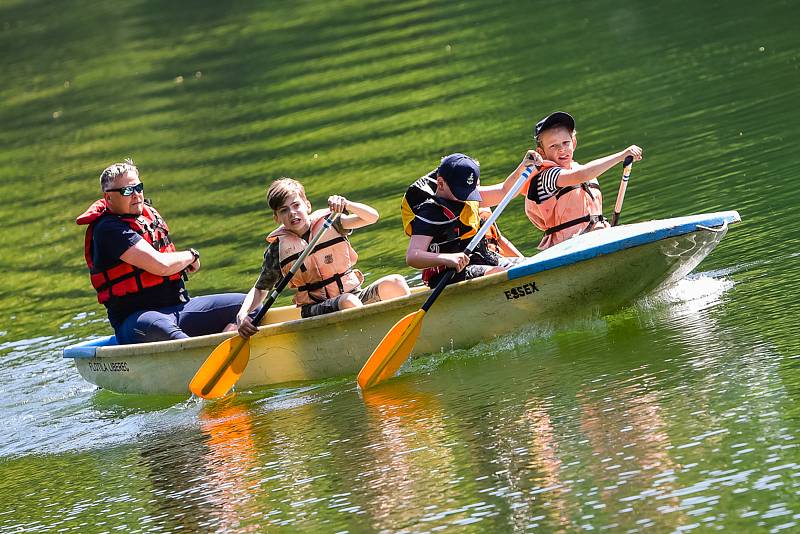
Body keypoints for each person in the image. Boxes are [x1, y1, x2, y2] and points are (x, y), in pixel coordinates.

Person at [76, 159, 245, 344]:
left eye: (138, 187)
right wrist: (191, 255)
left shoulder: (146, 216)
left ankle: (226, 345)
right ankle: (201, 357)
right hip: (137, 321)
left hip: (179, 308)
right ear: (108, 198)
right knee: (160, 326)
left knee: (249, 305)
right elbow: (161, 266)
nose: (136, 195)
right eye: (127, 191)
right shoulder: (108, 230)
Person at [236, 178, 410, 339]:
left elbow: (372, 217)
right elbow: (260, 289)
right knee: (348, 302)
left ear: (307, 206)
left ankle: (408, 334)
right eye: (284, 210)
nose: (292, 213)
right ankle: (371, 342)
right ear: (277, 218)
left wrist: (347, 204)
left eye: (296, 205)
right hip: (315, 309)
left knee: (396, 282)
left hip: (353, 295)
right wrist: (242, 315)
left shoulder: (332, 222)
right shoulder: (277, 249)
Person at [521, 111, 643, 249]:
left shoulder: (578, 168)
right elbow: (581, 175)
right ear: (541, 152)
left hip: (596, 236)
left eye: (566, 142)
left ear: (574, 142)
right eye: (553, 146)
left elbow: (583, 174)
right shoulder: (548, 176)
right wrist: (621, 155)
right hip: (567, 247)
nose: (562, 149)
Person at [404, 153, 528, 287]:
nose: (467, 197)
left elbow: (505, 191)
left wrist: (523, 166)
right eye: (461, 192)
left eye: (470, 191)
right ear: (440, 183)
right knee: (497, 273)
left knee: (527, 264)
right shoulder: (430, 213)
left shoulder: (468, 194)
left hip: (482, 260)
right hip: (447, 273)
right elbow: (413, 256)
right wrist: (449, 259)